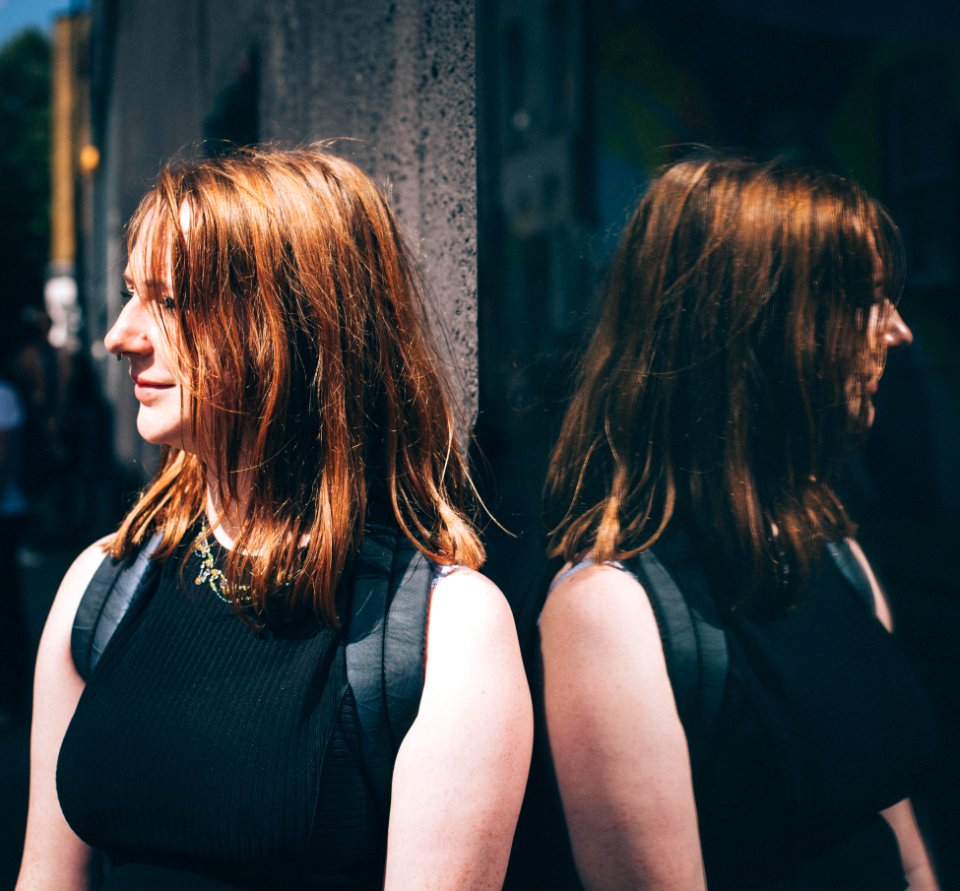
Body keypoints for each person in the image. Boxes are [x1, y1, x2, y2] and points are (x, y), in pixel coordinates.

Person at [17, 145, 532, 890]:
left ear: (290, 324)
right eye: (132, 293)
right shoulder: (105, 584)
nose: (121, 335)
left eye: (168, 300)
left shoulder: (440, 629)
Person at [534, 154, 938, 890]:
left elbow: (901, 838)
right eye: (866, 300)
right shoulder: (614, 610)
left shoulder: (831, 551)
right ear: (764, 325)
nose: (898, 330)